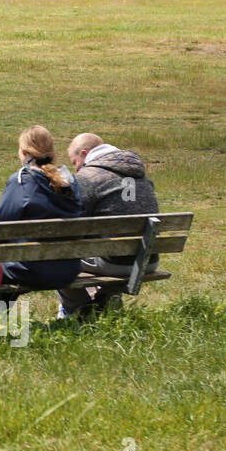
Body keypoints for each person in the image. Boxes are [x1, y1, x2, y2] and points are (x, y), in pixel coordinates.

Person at [63, 133, 161, 315]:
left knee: (55, 255)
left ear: (84, 153)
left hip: (113, 262)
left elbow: (69, 223)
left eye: (74, 162)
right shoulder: (142, 177)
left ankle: (79, 310)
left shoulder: (88, 177)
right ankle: (108, 299)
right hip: (148, 260)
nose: (75, 169)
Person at [0, 125, 85, 296]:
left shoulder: (22, 181)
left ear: (23, 152)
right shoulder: (70, 181)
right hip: (69, 269)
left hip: (30, 270)